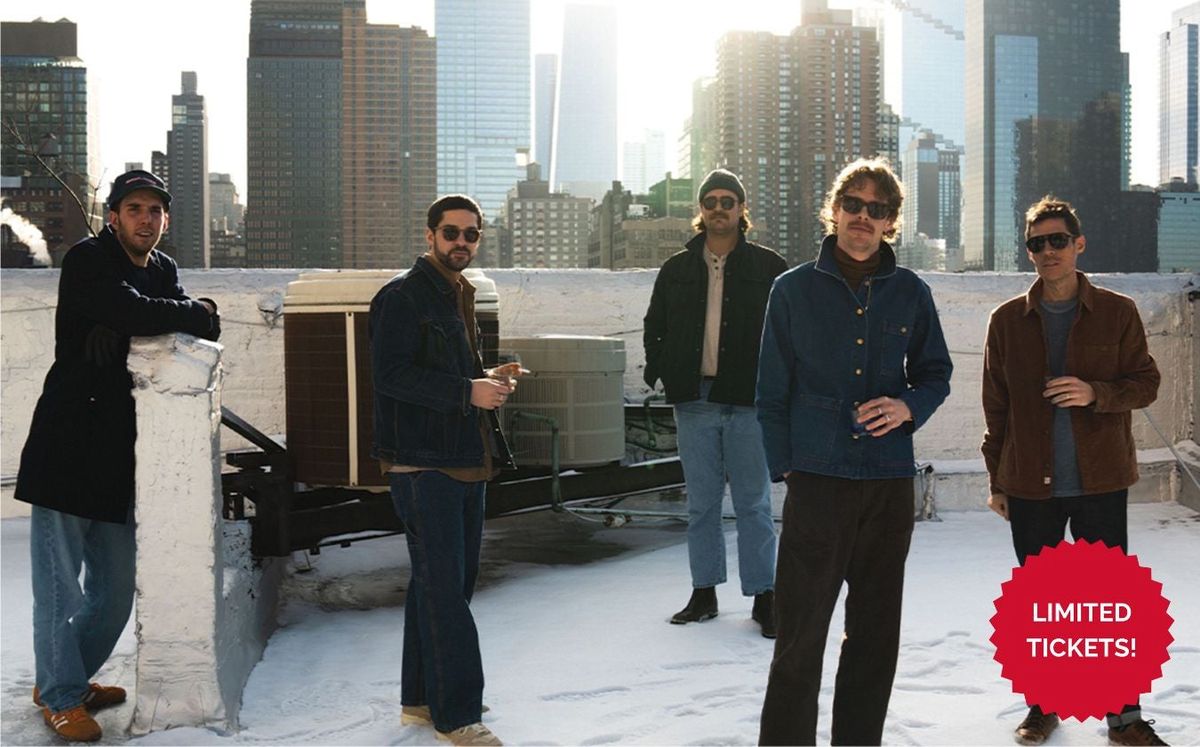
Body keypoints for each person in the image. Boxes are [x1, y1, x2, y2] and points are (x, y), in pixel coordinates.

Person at [14, 170, 221, 742]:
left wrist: (157, 313)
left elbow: (173, 317)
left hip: (116, 453)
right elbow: (141, 312)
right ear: (113, 216)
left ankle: (64, 678)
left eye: (155, 211)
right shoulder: (87, 258)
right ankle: (61, 696)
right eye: (134, 209)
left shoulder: (161, 268)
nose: (145, 220)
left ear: (165, 219)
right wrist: (154, 314)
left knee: (116, 589)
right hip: (64, 446)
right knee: (61, 589)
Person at [755, 158, 952, 745]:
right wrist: (788, 468)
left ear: (891, 222)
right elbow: (770, 393)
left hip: (888, 482)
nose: (863, 216)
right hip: (817, 482)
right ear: (835, 210)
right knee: (800, 636)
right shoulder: (791, 290)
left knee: (874, 636)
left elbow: (936, 374)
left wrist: (907, 406)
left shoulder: (911, 291)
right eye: (854, 204)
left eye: (877, 209)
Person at [982, 197, 1165, 747]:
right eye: (1037, 243)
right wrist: (996, 480)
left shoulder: (1117, 311)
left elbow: (1146, 383)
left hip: (1099, 480)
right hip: (1027, 482)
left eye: (1057, 240)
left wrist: (1095, 393)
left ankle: (1124, 719)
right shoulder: (1007, 321)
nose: (1048, 251)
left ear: (1079, 244)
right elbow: (996, 407)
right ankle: (1045, 705)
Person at [369, 194, 522, 747]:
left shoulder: (460, 290)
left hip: (463, 458)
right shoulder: (402, 296)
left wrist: (487, 379)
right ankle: (456, 716)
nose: (462, 242)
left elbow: (445, 371)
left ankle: (419, 699)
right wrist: (466, 391)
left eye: (471, 234)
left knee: (440, 586)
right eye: (451, 232)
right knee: (446, 596)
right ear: (430, 235)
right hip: (423, 464)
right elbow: (389, 375)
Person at [643, 168, 788, 637]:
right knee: (702, 504)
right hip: (694, 399)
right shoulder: (677, 269)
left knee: (754, 503)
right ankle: (703, 592)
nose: (719, 208)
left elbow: (788, 331)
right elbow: (654, 325)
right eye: (711, 201)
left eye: (729, 200)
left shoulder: (769, 267)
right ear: (701, 209)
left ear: (742, 209)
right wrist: (660, 369)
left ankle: (764, 596)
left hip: (749, 399)